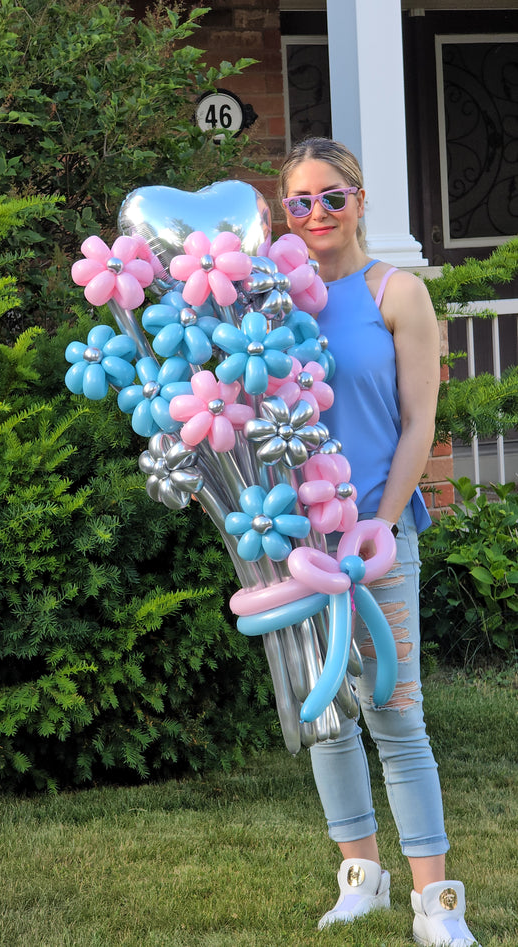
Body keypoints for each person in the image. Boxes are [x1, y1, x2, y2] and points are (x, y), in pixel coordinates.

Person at [278, 137, 481, 947]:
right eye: (300, 202)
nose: (317, 213)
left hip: (377, 538)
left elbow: (418, 422)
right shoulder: (271, 300)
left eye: (332, 196)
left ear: (359, 198)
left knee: (395, 714)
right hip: (294, 544)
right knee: (326, 714)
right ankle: (358, 876)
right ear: (283, 212)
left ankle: (435, 904)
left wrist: (381, 520)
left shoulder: (396, 294)